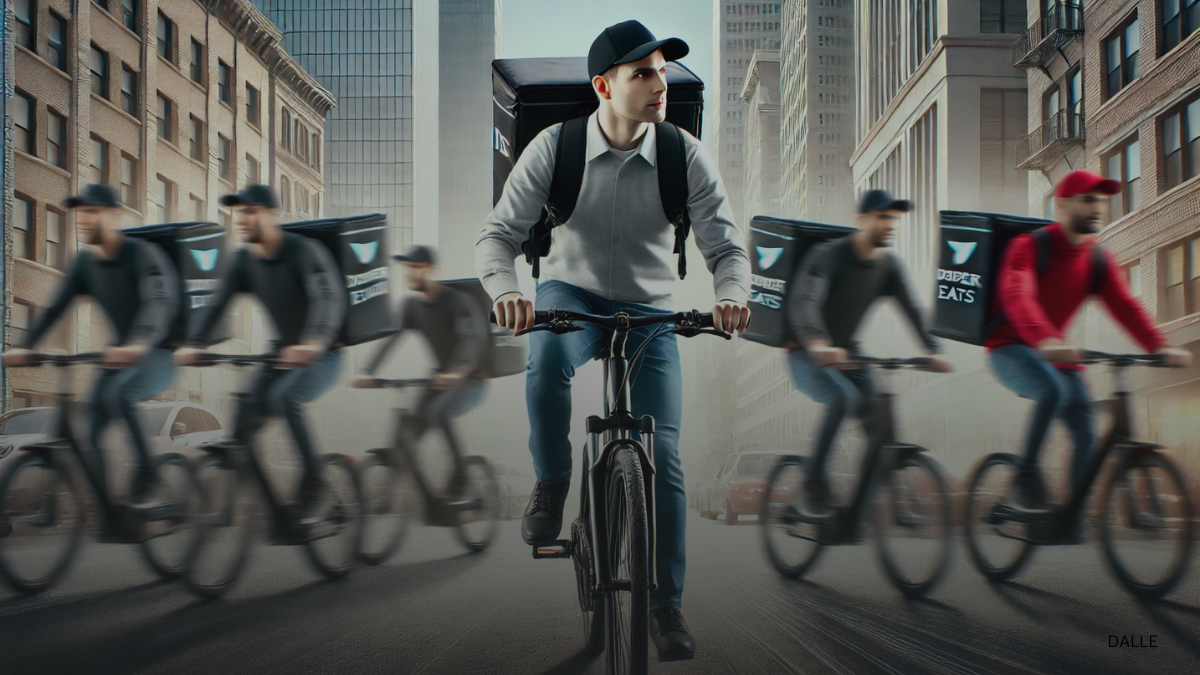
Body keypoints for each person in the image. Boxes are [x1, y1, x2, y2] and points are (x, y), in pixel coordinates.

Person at [478, 20, 751, 661]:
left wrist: (732, 296)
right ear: (604, 86)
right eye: (643, 73)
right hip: (568, 297)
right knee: (545, 364)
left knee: (669, 460)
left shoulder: (685, 154)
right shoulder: (554, 147)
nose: (661, 84)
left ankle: (664, 607)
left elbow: (726, 247)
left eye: (661, 70)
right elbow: (498, 236)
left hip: (652, 309)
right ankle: (551, 484)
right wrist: (506, 291)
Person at [987, 170, 1190, 515]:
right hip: (1010, 348)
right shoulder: (1031, 245)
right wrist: (1046, 338)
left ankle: (1071, 513)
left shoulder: (1097, 259)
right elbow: (1017, 293)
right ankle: (1024, 476)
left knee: (1087, 433)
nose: (1098, 207)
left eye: (1101, 200)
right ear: (1063, 205)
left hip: (1055, 354)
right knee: (1053, 390)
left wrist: (1158, 346)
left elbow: (1125, 305)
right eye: (1088, 199)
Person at [1, 184, 180, 510]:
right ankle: (110, 507)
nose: (83, 219)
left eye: (92, 212)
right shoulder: (86, 263)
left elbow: (159, 302)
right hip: (119, 359)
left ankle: (148, 476)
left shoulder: (142, 255)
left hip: (158, 354)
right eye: (80, 212)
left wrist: (139, 342)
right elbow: (56, 309)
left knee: (121, 395)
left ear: (114, 216)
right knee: (90, 429)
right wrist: (25, 347)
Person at [174, 184, 346, 524]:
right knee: (244, 406)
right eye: (238, 213)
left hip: (323, 354)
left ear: (273, 215)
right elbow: (217, 305)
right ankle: (258, 502)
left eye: (250, 211)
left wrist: (313, 341)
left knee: (285, 399)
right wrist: (193, 342)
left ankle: (314, 486)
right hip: (279, 356)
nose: (241, 219)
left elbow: (327, 297)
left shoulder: (305, 251)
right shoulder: (243, 261)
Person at [787, 189, 953, 513]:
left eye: (893, 218)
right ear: (861, 219)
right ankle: (813, 484)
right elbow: (805, 301)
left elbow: (913, 310)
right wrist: (818, 343)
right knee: (842, 399)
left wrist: (933, 349)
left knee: (879, 412)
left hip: (849, 353)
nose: (890, 224)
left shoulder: (888, 266)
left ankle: (866, 509)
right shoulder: (828, 255)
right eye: (882, 217)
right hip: (805, 352)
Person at [352, 245, 489, 500]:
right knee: (410, 427)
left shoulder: (457, 301)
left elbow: (472, 340)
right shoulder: (412, 306)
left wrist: (456, 372)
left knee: (439, 413)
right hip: (439, 380)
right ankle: (401, 492)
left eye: (415, 268)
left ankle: (462, 479)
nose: (409, 274)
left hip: (470, 380)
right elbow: (392, 339)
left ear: (430, 269)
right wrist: (368, 371)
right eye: (407, 268)